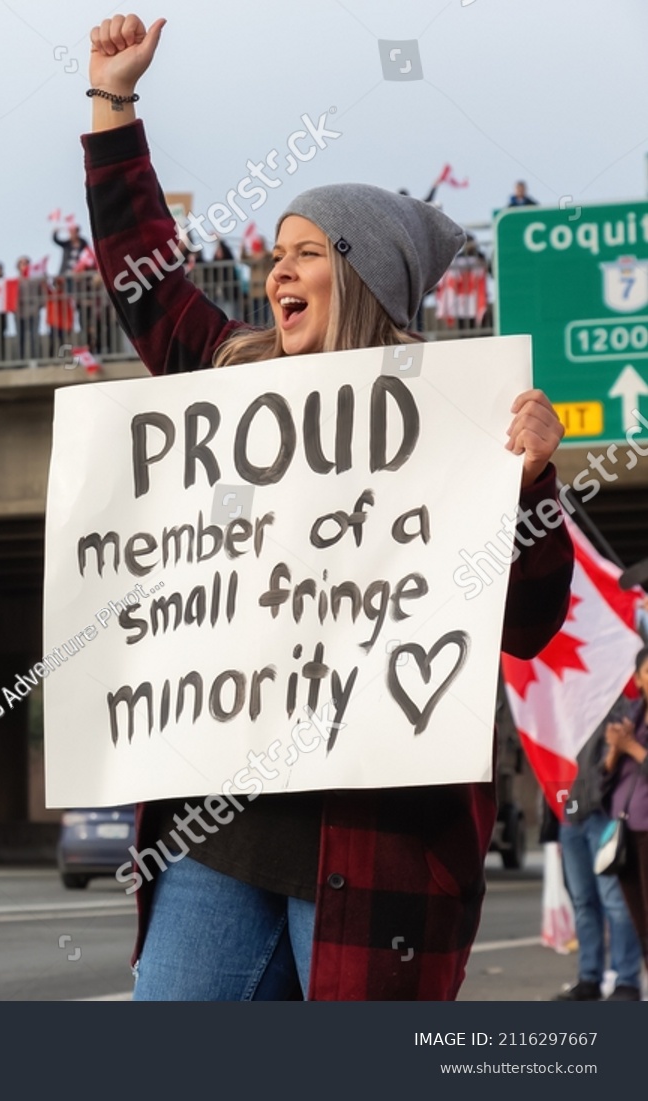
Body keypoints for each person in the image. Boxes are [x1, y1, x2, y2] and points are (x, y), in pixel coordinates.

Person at [84, 13, 571, 1001]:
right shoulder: (227, 387)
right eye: (274, 254)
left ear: (358, 275)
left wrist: (529, 484)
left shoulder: (458, 423)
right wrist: (113, 104)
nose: (276, 274)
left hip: (380, 844)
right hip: (220, 836)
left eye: (304, 253)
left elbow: (526, 625)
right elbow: (149, 282)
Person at [553, 705, 645, 1000]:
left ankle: (626, 979)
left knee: (615, 902)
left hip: (600, 812)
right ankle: (589, 977)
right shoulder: (556, 702)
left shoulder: (615, 705)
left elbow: (614, 765)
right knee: (583, 902)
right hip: (568, 813)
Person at [603, 648, 648, 963]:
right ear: (638, 678)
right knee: (638, 915)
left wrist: (632, 747)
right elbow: (606, 773)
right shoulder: (633, 714)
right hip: (625, 824)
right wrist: (615, 750)